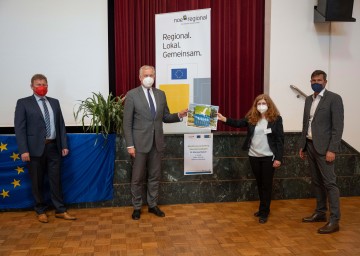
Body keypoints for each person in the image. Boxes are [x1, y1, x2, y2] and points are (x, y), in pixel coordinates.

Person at [123, 65, 187, 220]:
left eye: (151, 75)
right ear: (140, 77)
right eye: (146, 75)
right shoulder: (132, 95)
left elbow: (165, 117)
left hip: (157, 143)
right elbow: (127, 123)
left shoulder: (161, 94)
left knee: (154, 176)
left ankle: (152, 205)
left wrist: (179, 115)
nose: (148, 78)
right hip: (139, 144)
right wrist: (130, 145)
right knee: (137, 177)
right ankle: (137, 207)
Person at [14, 74, 76, 223]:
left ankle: (60, 210)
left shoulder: (54, 102)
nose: (42, 87)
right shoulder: (23, 103)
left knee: (56, 180)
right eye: (38, 84)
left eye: (44, 84)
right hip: (34, 150)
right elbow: (20, 128)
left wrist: (64, 145)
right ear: (32, 86)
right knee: (37, 181)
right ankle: (40, 210)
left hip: (53, 147)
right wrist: (24, 150)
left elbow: (60, 125)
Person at [218, 94, 284, 224]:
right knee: (260, 184)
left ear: (269, 105)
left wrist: (279, 158)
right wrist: (224, 119)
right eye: (259, 104)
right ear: (255, 106)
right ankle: (262, 208)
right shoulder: (252, 118)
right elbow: (238, 123)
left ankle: (265, 212)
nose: (261, 106)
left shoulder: (276, 119)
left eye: (264, 103)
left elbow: (280, 140)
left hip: (269, 157)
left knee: (267, 185)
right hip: (254, 156)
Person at [299, 70, 344, 234]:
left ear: (325, 82)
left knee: (330, 184)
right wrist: (302, 144)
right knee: (316, 182)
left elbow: (337, 127)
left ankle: (334, 220)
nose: (315, 82)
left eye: (318, 80)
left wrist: (332, 149)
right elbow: (306, 123)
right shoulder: (309, 100)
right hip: (310, 145)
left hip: (325, 149)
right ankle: (320, 212)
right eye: (313, 80)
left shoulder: (334, 99)